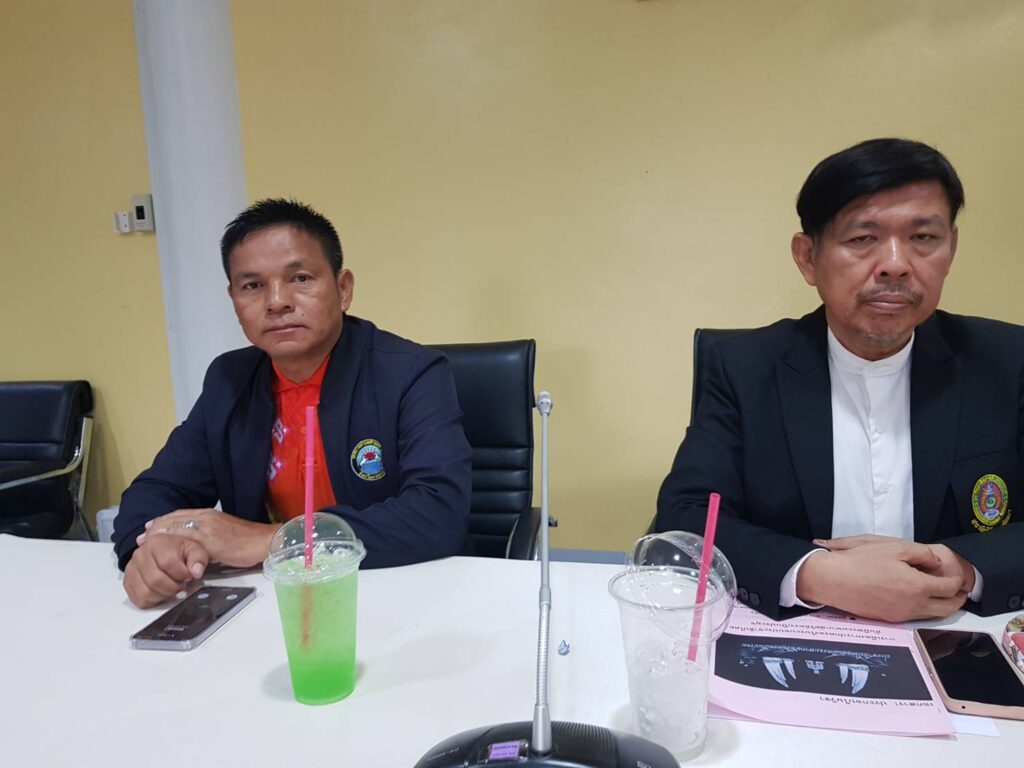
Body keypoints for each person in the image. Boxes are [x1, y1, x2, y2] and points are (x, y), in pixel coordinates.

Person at [656, 138, 1024, 622]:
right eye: (862, 239)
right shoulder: (744, 367)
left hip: (958, 637)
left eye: (923, 237)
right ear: (808, 257)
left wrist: (965, 568)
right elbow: (684, 517)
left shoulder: (1008, 361)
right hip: (797, 633)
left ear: (950, 248)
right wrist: (817, 574)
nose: (896, 264)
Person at [113, 199, 472, 608]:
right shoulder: (229, 380)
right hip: (272, 600)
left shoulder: (411, 373)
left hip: (389, 593)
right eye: (252, 286)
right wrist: (154, 552)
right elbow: (155, 492)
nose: (277, 302)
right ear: (233, 299)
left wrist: (273, 540)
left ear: (343, 288)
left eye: (300, 278)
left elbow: (439, 514)